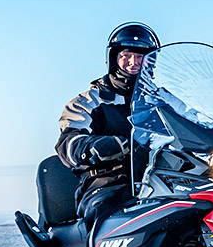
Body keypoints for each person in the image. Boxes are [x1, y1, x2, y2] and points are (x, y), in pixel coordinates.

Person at [56, 22, 161, 228]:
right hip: (109, 182)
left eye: (141, 57)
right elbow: (67, 143)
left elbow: (192, 120)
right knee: (105, 215)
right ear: (114, 58)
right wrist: (97, 146)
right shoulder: (91, 101)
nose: (133, 62)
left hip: (160, 180)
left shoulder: (160, 100)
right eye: (126, 56)